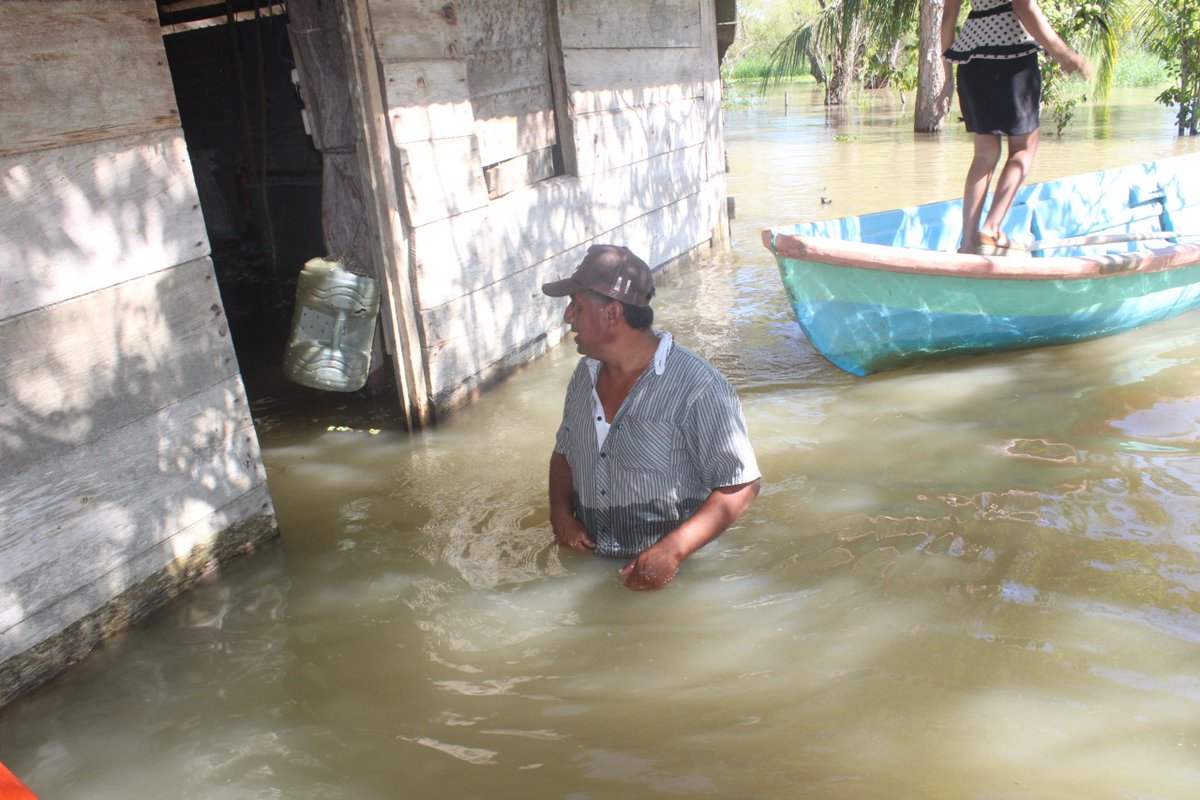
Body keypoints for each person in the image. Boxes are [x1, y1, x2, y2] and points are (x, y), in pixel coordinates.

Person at [541, 244, 762, 591]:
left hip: (680, 576)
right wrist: (560, 515)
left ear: (612, 313)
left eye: (577, 305)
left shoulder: (698, 386)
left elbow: (742, 485)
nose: (569, 316)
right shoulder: (584, 377)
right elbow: (564, 452)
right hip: (591, 563)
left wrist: (672, 551)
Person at [941, 0, 1093, 254]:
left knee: (984, 155)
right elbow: (1024, 6)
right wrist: (1062, 53)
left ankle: (968, 242)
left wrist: (947, 77)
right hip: (1010, 56)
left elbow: (948, 16)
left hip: (972, 60)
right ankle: (991, 229)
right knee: (1024, 148)